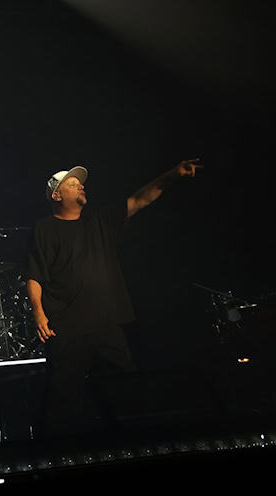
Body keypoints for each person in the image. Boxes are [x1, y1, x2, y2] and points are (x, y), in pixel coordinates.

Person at [26, 160, 202, 437]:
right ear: (56, 195)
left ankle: (125, 443)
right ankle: (60, 453)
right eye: (72, 184)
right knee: (63, 396)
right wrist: (39, 313)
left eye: (80, 182)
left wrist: (173, 175)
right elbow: (35, 275)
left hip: (107, 322)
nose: (80, 185)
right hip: (66, 327)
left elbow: (140, 199)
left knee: (125, 385)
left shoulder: (99, 221)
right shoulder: (44, 229)